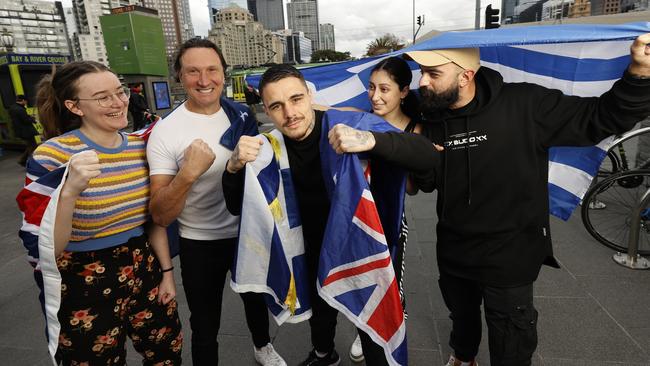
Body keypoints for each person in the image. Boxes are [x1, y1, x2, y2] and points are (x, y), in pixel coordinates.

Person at [403, 33, 650, 366]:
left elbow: (599, 117)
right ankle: (463, 356)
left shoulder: (526, 105)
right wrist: (418, 157)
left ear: (465, 75)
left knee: (511, 336)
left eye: (433, 74)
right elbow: (430, 183)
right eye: (421, 73)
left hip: (511, 252)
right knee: (461, 314)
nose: (423, 82)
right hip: (454, 247)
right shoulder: (431, 115)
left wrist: (639, 72)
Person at [222, 64, 439, 366]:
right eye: (277, 106)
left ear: (310, 96)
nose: (290, 113)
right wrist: (232, 167)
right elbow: (237, 206)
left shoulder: (349, 123)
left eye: (296, 99)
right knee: (320, 314)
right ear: (267, 112)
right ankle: (324, 354)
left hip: (360, 245)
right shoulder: (268, 148)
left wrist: (370, 140)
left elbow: (426, 154)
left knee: (372, 327)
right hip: (311, 245)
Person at [23, 60, 182, 365]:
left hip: (144, 265)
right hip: (82, 278)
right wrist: (69, 190)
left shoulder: (142, 147)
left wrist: (166, 274)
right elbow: (48, 247)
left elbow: (153, 221)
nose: (119, 102)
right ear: (74, 106)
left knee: (167, 353)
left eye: (119, 92)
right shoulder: (51, 156)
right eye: (102, 97)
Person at [146, 38, 285, 366]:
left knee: (255, 300)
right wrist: (187, 175)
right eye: (193, 71)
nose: (204, 80)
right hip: (199, 242)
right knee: (205, 321)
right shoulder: (165, 132)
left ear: (224, 73)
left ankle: (262, 346)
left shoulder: (239, 114)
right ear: (180, 77)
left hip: (245, 234)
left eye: (212, 70)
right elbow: (160, 214)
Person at [346, 56, 425, 363]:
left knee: (391, 283)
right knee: (358, 279)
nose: (375, 96)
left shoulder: (416, 129)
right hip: (357, 216)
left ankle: (391, 328)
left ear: (404, 91)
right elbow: (323, 112)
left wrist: (396, 155)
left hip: (391, 220)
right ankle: (362, 328)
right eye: (371, 87)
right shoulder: (360, 120)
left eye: (385, 89)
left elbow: (413, 188)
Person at [8, 94, 39, 166]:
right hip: (26, 131)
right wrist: (33, 119)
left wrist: (28, 117)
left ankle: (23, 160)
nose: (26, 103)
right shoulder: (20, 109)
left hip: (20, 130)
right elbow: (26, 120)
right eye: (26, 101)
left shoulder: (13, 108)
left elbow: (20, 119)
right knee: (32, 146)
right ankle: (30, 162)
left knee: (30, 146)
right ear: (23, 100)